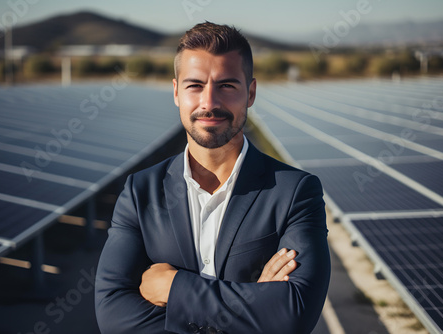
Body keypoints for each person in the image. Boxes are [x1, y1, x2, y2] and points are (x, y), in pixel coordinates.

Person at [95, 22, 330, 334]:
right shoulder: (141, 192)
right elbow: (112, 315)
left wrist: (174, 288)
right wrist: (253, 308)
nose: (209, 103)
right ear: (177, 92)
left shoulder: (295, 192)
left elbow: (294, 313)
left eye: (227, 86)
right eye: (195, 86)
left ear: (251, 92)